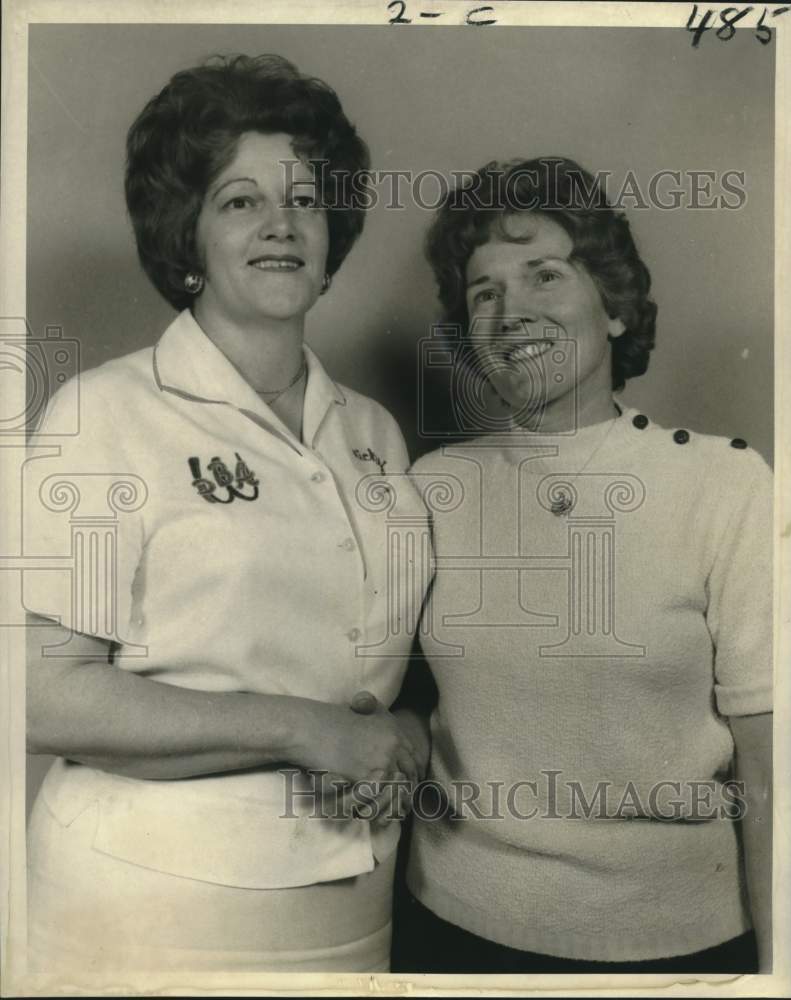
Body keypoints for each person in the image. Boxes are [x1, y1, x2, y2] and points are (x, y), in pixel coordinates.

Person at [24, 54, 429, 974]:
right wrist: (302, 727)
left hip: (354, 907)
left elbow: (383, 663)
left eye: (305, 199)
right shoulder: (103, 415)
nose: (282, 225)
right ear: (187, 238)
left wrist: (403, 735)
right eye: (240, 201)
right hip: (146, 906)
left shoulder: (369, 428)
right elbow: (43, 695)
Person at [393, 157, 773, 974]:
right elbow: (398, 706)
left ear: (612, 308)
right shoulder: (433, 488)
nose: (510, 310)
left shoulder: (726, 483)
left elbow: (775, 773)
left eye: (544, 275)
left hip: (676, 950)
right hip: (447, 931)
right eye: (483, 292)